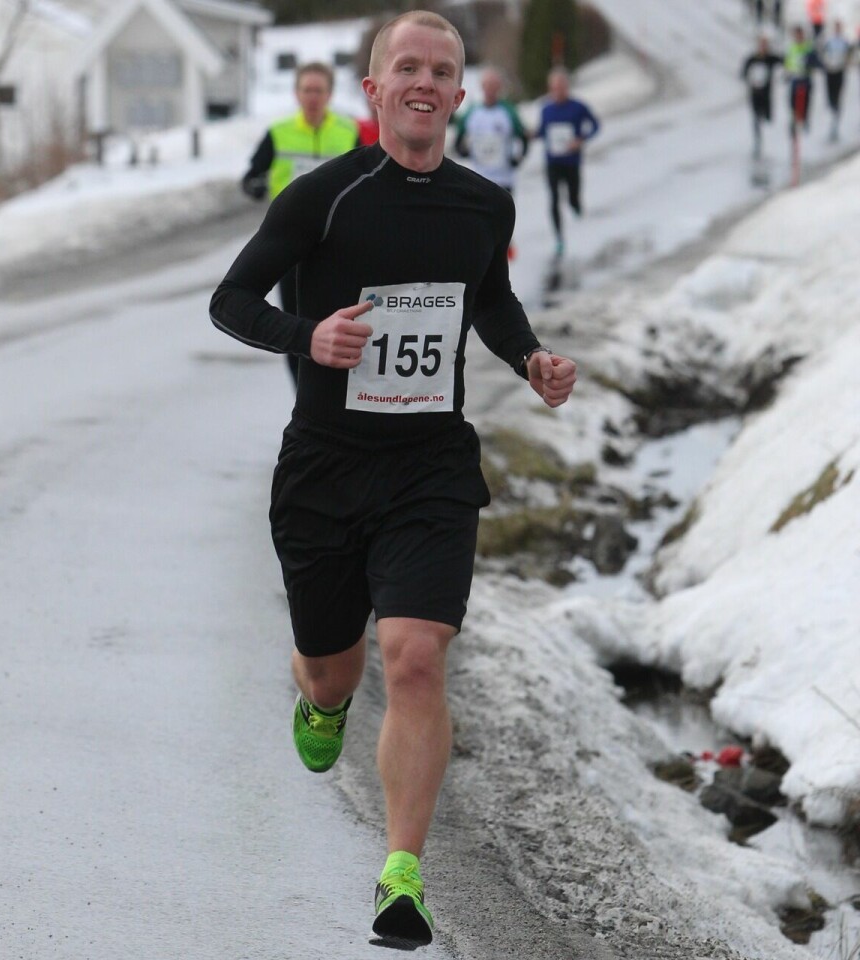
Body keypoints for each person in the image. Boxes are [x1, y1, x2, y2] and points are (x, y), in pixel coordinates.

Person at [210, 9, 577, 946]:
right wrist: (309, 337)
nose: (424, 81)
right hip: (326, 467)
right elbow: (231, 299)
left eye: (441, 68)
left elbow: (485, 296)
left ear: (459, 92)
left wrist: (529, 357)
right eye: (405, 67)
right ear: (373, 91)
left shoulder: (483, 203)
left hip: (429, 465)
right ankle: (322, 699)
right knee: (334, 666)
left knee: (415, 655)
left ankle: (401, 876)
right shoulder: (322, 198)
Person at [240, 62, 360, 386]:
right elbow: (251, 175)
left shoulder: (348, 131)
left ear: (329, 94)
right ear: (296, 93)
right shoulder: (279, 133)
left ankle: (336, 395)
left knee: (340, 325)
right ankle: (303, 397)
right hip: (289, 246)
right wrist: (255, 184)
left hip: (338, 246)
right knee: (296, 328)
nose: (312, 97)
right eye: (306, 90)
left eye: (318, 90)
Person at [537, 67, 600, 257]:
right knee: (554, 198)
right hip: (553, 162)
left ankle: (576, 205)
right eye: (554, 88)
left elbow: (595, 125)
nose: (558, 91)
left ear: (567, 87)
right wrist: (531, 134)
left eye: (561, 87)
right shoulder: (546, 109)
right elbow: (543, 131)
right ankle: (559, 238)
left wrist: (580, 139)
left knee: (573, 198)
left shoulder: (578, 107)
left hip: (572, 162)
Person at [453, 66, 530, 194]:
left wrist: (518, 159)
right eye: (487, 86)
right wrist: (464, 152)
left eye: (494, 86)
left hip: (504, 180)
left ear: (499, 88)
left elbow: (523, 137)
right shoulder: (472, 112)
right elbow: (459, 137)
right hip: (479, 178)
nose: (490, 90)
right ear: (482, 87)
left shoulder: (509, 112)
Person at [741, 35, 784, 157]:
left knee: (767, 116)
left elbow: (783, 60)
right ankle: (757, 141)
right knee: (755, 117)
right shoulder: (752, 59)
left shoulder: (770, 58)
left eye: (765, 45)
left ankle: (764, 120)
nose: (763, 48)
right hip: (755, 93)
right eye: (761, 45)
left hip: (767, 93)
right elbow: (744, 71)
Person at [784, 24, 822, 134]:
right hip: (795, 77)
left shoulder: (808, 47)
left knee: (807, 100)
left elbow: (815, 60)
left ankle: (805, 119)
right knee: (792, 99)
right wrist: (787, 72)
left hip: (806, 77)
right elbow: (787, 62)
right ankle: (794, 118)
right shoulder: (791, 47)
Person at [819, 19, 852, 141]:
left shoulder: (844, 41)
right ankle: (832, 116)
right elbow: (823, 53)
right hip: (830, 72)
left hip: (839, 72)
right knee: (830, 97)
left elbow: (849, 55)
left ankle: (835, 123)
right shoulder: (829, 41)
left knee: (837, 98)